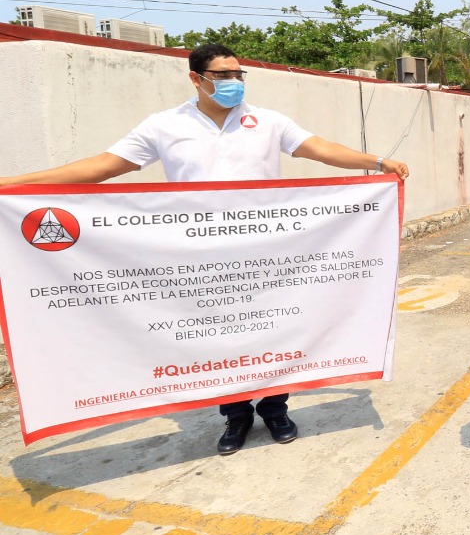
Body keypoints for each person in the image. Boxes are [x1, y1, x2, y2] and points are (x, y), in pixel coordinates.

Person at [0, 43, 410, 455]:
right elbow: (105, 165)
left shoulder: (266, 121)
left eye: (238, 74)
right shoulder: (164, 125)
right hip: (201, 259)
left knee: (270, 327)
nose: (233, 82)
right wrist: (16, 185)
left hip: (266, 251)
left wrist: (377, 162)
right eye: (222, 75)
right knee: (219, 334)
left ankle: (275, 407)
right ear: (196, 78)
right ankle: (235, 415)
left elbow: (318, 148)